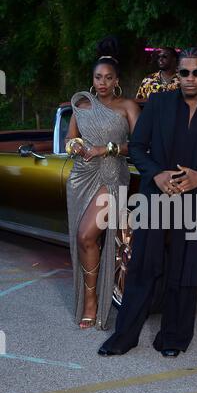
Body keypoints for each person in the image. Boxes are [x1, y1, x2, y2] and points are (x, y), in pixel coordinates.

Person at [98, 47, 197, 356]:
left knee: (184, 272)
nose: (190, 78)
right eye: (184, 72)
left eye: (196, 72)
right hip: (156, 198)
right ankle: (124, 337)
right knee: (142, 269)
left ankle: (173, 339)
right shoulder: (159, 104)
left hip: (193, 202)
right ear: (179, 75)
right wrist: (157, 175)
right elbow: (137, 147)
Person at [65, 37, 140, 330]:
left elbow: (137, 146)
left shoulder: (128, 106)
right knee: (83, 238)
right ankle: (89, 299)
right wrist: (77, 147)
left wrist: (105, 149)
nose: (103, 83)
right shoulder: (81, 106)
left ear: (117, 80)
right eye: (98, 77)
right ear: (92, 79)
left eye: (109, 78)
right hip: (81, 177)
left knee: (86, 235)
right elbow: (69, 140)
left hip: (112, 176)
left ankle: (92, 302)